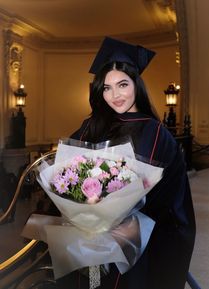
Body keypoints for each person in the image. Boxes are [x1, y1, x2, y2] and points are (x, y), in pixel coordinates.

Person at [58, 37, 196, 289]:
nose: (115, 95)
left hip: (133, 243)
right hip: (88, 238)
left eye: (122, 84)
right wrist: (82, 210)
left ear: (136, 84)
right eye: (106, 88)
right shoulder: (91, 125)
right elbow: (66, 173)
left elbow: (165, 197)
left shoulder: (154, 132)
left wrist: (124, 223)